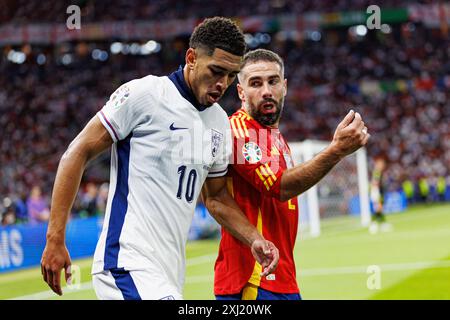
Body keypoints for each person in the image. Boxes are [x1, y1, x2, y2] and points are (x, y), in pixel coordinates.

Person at [40, 17, 279, 300]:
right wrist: (55, 237)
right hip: (126, 262)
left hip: (168, 272)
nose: (222, 83)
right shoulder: (145, 94)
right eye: (216, 71)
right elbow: (77, 152)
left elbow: (215, 197)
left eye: (229, 75)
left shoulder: (218, 122)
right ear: (191, 58)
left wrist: (255, 238)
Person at [214, 49, 370, 300]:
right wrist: (336, 151)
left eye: (273, 81)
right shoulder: (240, 130)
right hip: (253, 279)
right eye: (255, 83)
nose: (266, 90)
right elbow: (280, 187)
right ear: (241, 92)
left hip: (279, 276)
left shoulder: (275, 138)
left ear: (284, 87)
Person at [368, 157, 392, 234]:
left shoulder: (379, 172)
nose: (383, 165)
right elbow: (375, 182)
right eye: (381, 164)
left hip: (378, 191)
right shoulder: (377, 172)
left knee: (379, 208)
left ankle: (381, 224)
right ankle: (374, 224)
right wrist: (375, 191)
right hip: (376, 191)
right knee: (378, 208)